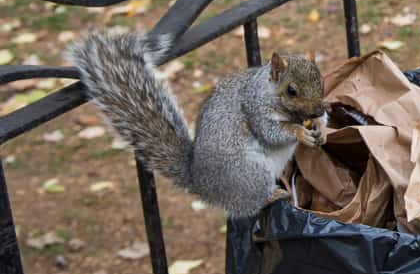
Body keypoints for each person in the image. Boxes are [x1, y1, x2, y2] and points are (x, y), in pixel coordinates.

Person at [68, 29, 328, 218]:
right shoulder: (262, 99)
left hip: (247, 158)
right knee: (257, 168)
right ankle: (258, 199)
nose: (309, 106)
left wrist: (319, 123)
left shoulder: (282, 93)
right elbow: (270, 135)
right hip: (232, 167)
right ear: (275, 73)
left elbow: (311, 116)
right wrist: (297, 132)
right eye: (293, 94)